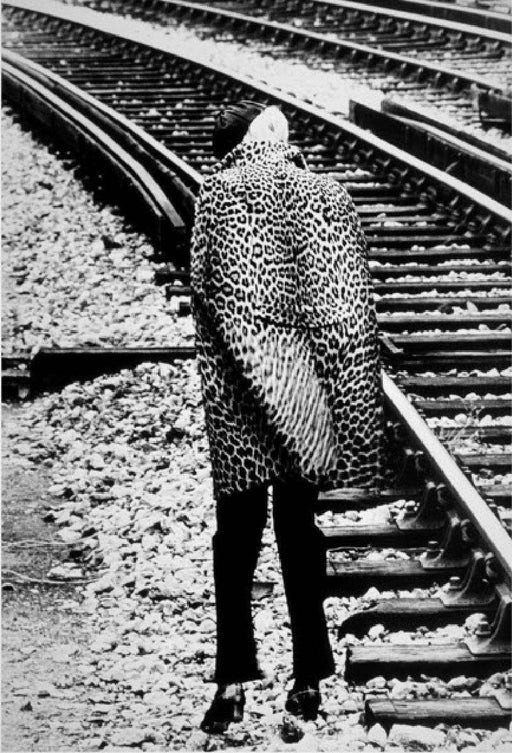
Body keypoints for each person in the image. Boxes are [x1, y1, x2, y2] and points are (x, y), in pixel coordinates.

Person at [190, 101, 387, 733]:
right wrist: (332, 397)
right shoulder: (323, 194)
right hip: (304, 400)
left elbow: (202, 287)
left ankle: (230, 687)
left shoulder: (215, 195)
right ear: (270, 136)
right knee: (299, 535)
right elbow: (350, 306)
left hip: (241, 402)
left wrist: (250, 362)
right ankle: (307, 680)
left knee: (236, 542)